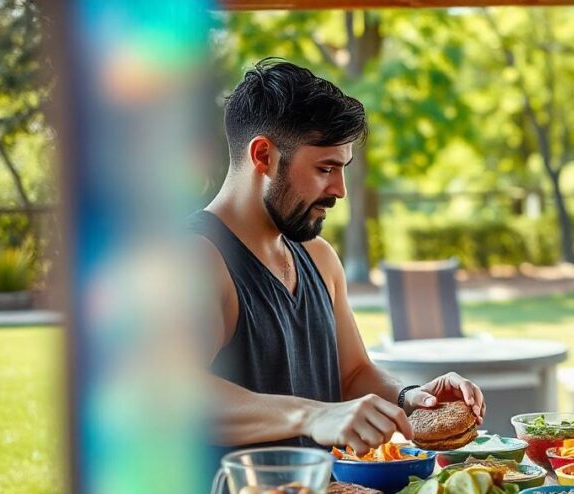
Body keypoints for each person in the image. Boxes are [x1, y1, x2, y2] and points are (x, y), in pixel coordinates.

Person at [193, 58, 483, 454]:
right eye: (325, 168)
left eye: (343, 168)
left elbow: (353, 373)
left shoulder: (318, 256)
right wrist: (313, 415)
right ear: (263, 156)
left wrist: (408, 397)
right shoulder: (195, 259)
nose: (340, 190)